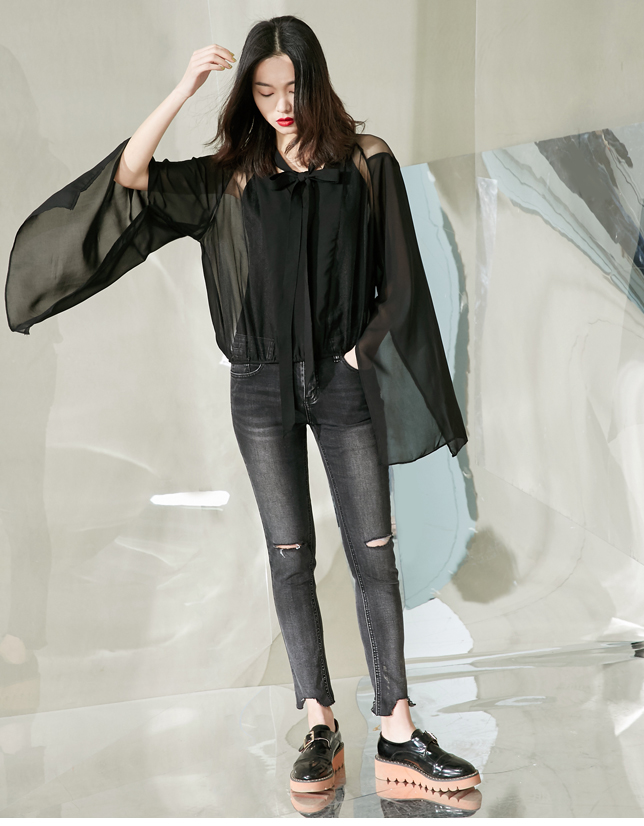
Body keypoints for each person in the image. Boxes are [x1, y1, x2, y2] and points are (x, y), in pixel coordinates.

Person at [5, 14, 478, 799]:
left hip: (340, 382)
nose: (281, 105)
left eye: (292, 88)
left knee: (374, 554)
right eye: (263, 90)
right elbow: (131, 177)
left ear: (315, 83)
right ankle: (319, 725)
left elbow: (399, 279)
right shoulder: (228, 177)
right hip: (258, 389)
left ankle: (398, 733)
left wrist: (358, 350)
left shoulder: (367, 161)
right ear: (247, 94)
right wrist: (184, 87)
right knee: (290, 557)